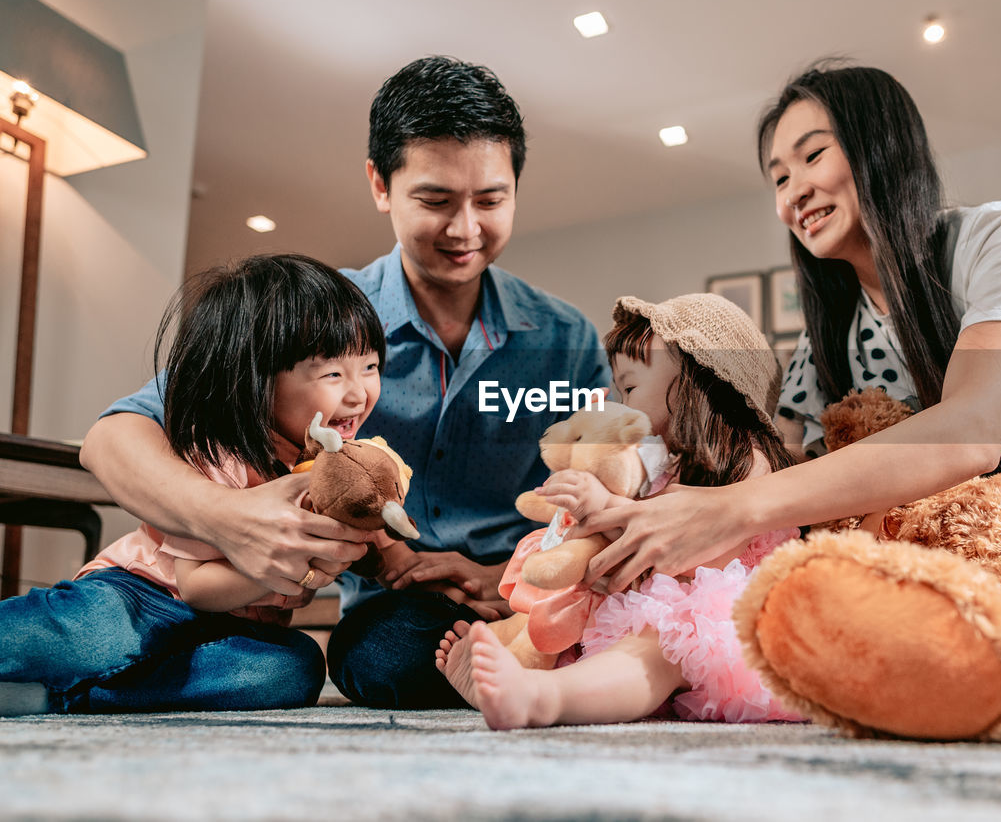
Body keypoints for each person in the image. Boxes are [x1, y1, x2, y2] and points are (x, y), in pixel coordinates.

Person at [574, 62, 1001, 594]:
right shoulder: (825, 341)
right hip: (991, 568)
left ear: (881, 146)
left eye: (813, 157)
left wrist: (741, 509)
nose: (793, 193)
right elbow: (793, 463)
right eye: (778, 178)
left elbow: (973, 430)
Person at [78, 57, 608, 709]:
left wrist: (502, 574)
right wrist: (230, 518)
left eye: (491, 200)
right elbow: (113, 436)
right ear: (380, 185)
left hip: (528, 588)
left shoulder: (567, 339)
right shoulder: (316, 319)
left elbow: (604, 491)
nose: (466, 229)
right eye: (436, 200)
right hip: (401, 614)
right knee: (390, 657)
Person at [0, 254, 381, 714]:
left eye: (370, 367)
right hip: (145, 596)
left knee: (292, 668)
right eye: (333, 374)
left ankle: (60, 696)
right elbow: (197, 587)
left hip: (232, 629)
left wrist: (390, 555)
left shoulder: (323, 466)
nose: (359, 393)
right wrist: (294, 564)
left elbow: (369, 534)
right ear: (257, 380)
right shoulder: (219, 453)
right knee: (94, 636)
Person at [436, 294, 806, 730]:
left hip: (719, 618)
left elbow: (708, 562)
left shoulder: (749, 460)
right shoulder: (657, 466)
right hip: (643, 603)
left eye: (629, 387)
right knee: (576, 629)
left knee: (660, 644)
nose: (621, 403)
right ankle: (517, 666)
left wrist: (610, 510)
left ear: (696, 377)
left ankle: (542, 699)